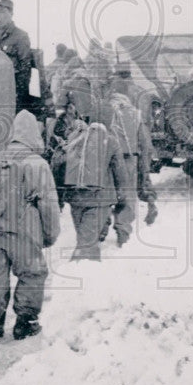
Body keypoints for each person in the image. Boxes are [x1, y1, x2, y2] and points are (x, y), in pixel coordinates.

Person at [0, 110, 60, 348]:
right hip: (22, 232)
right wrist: (49, 235)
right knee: (33, 274)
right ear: (33, 134)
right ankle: (25, 323)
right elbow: (48, 204)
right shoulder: (37, 164)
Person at [62, 99, 130, 262]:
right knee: (87, 244)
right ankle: (83, 276)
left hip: (75, 198)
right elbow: (120, 173)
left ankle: (82, 271)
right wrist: (122, 195)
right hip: (99, 199)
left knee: (83, 239)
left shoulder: (74, 136)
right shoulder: (110, 141)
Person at [105, 91, 159, 244]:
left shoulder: (102, 112)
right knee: (127, 195)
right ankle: (123, 231)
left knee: (106, 192)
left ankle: (102, 225)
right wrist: (144, 167)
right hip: (128, 158)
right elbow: (145, 144)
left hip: (106, 159)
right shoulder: (135, 115)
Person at [0, 0, 33, 109]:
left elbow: (25, 69)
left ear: (11, 13)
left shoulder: (20, 36)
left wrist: (17, 96)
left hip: (13, 94)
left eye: (2, 12)